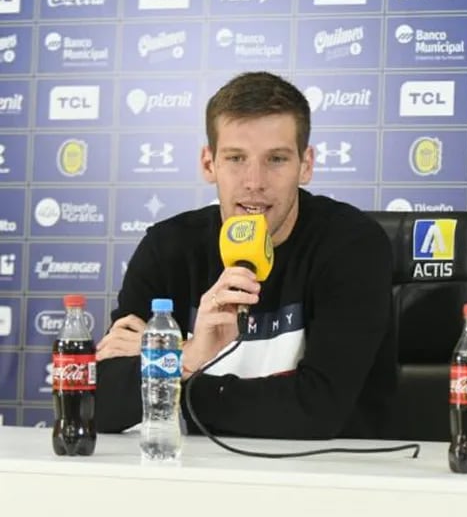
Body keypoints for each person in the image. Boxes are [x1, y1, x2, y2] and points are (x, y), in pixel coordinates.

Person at [95, 71, 396, 439]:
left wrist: (169, 370)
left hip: (326, 481)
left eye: (277, 159)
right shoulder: (167, 248)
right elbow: (97, 403)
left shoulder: (352, 246)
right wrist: (188, 357)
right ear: (209, 164)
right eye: (236, 158)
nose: (254, 181)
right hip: (199, 481)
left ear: (306, 165)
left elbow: (317, 411)